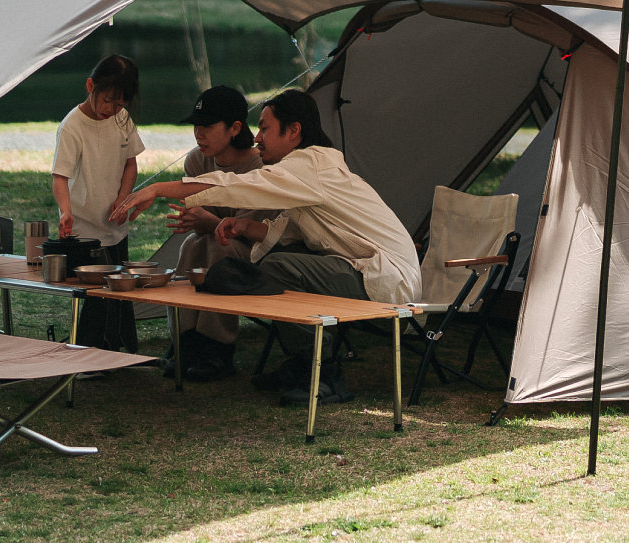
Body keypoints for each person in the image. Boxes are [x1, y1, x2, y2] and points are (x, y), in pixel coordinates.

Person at [110, 90, 416, 405]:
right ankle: (299, 363)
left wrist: (160, 188)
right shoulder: (309, 167)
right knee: (277, 262)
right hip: (362, 271)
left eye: (265, 128)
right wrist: (244, 226)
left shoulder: (308, 164)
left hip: (385, 279)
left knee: (278, 268)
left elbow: (240, 186)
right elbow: (288, 230)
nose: (257, 137)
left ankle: (322, 374)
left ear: (294, 131)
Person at [166, 85, 265, 381]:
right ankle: (184, 341)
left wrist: (207, 221)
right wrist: (193, 220)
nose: (199, 134)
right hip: (214, 240)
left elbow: (246, 231)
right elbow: (206, 221)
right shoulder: (197, 161)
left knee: (218, 248)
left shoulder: (258, 166)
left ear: (235, 128)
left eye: (207, 126)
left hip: (253, 251)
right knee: (191, 246)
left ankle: (217, 348)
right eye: (197, 126)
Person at [53, 53, 145, 350]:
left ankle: (122, 350)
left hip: (115, 226)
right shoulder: (72, 126)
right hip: (85, 231)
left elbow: (130, 164)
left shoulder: (121, 119)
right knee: (95, 296)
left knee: (122, 292)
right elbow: (60, 177)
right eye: (107, 100)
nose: (112, 109)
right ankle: (92, 355)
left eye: (120, 104)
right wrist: (66, 212)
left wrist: (123, 197)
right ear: (90, 85)